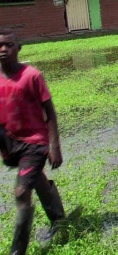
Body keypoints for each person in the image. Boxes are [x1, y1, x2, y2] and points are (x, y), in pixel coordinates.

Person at [0, 29, 65, 255]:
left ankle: (17, 251)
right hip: (10, 142)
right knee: (35, 177)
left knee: (21, 192)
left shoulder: (31, 75)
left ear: (18, 48)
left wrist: (54, 146)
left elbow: (50, 112)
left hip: (35, 143)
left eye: (8, 45)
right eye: (0, 45)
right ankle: (58, 217)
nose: (3, 49)